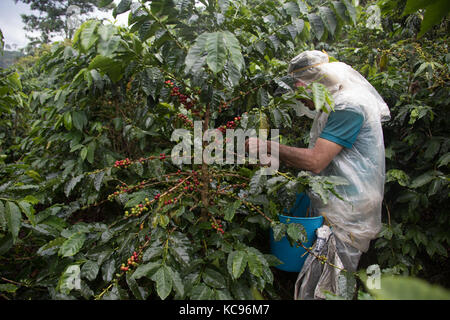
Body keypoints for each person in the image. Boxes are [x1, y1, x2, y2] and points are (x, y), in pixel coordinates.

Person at [245, 50, 390, 299]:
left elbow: (316, 161)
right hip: (339, 201)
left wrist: (267, 145)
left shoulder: (348, 106)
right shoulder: (335, 102)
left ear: (310, 85)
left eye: (300, 94)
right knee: (323, 277)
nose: (302, 103)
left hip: (348, 210)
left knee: (330, 284)